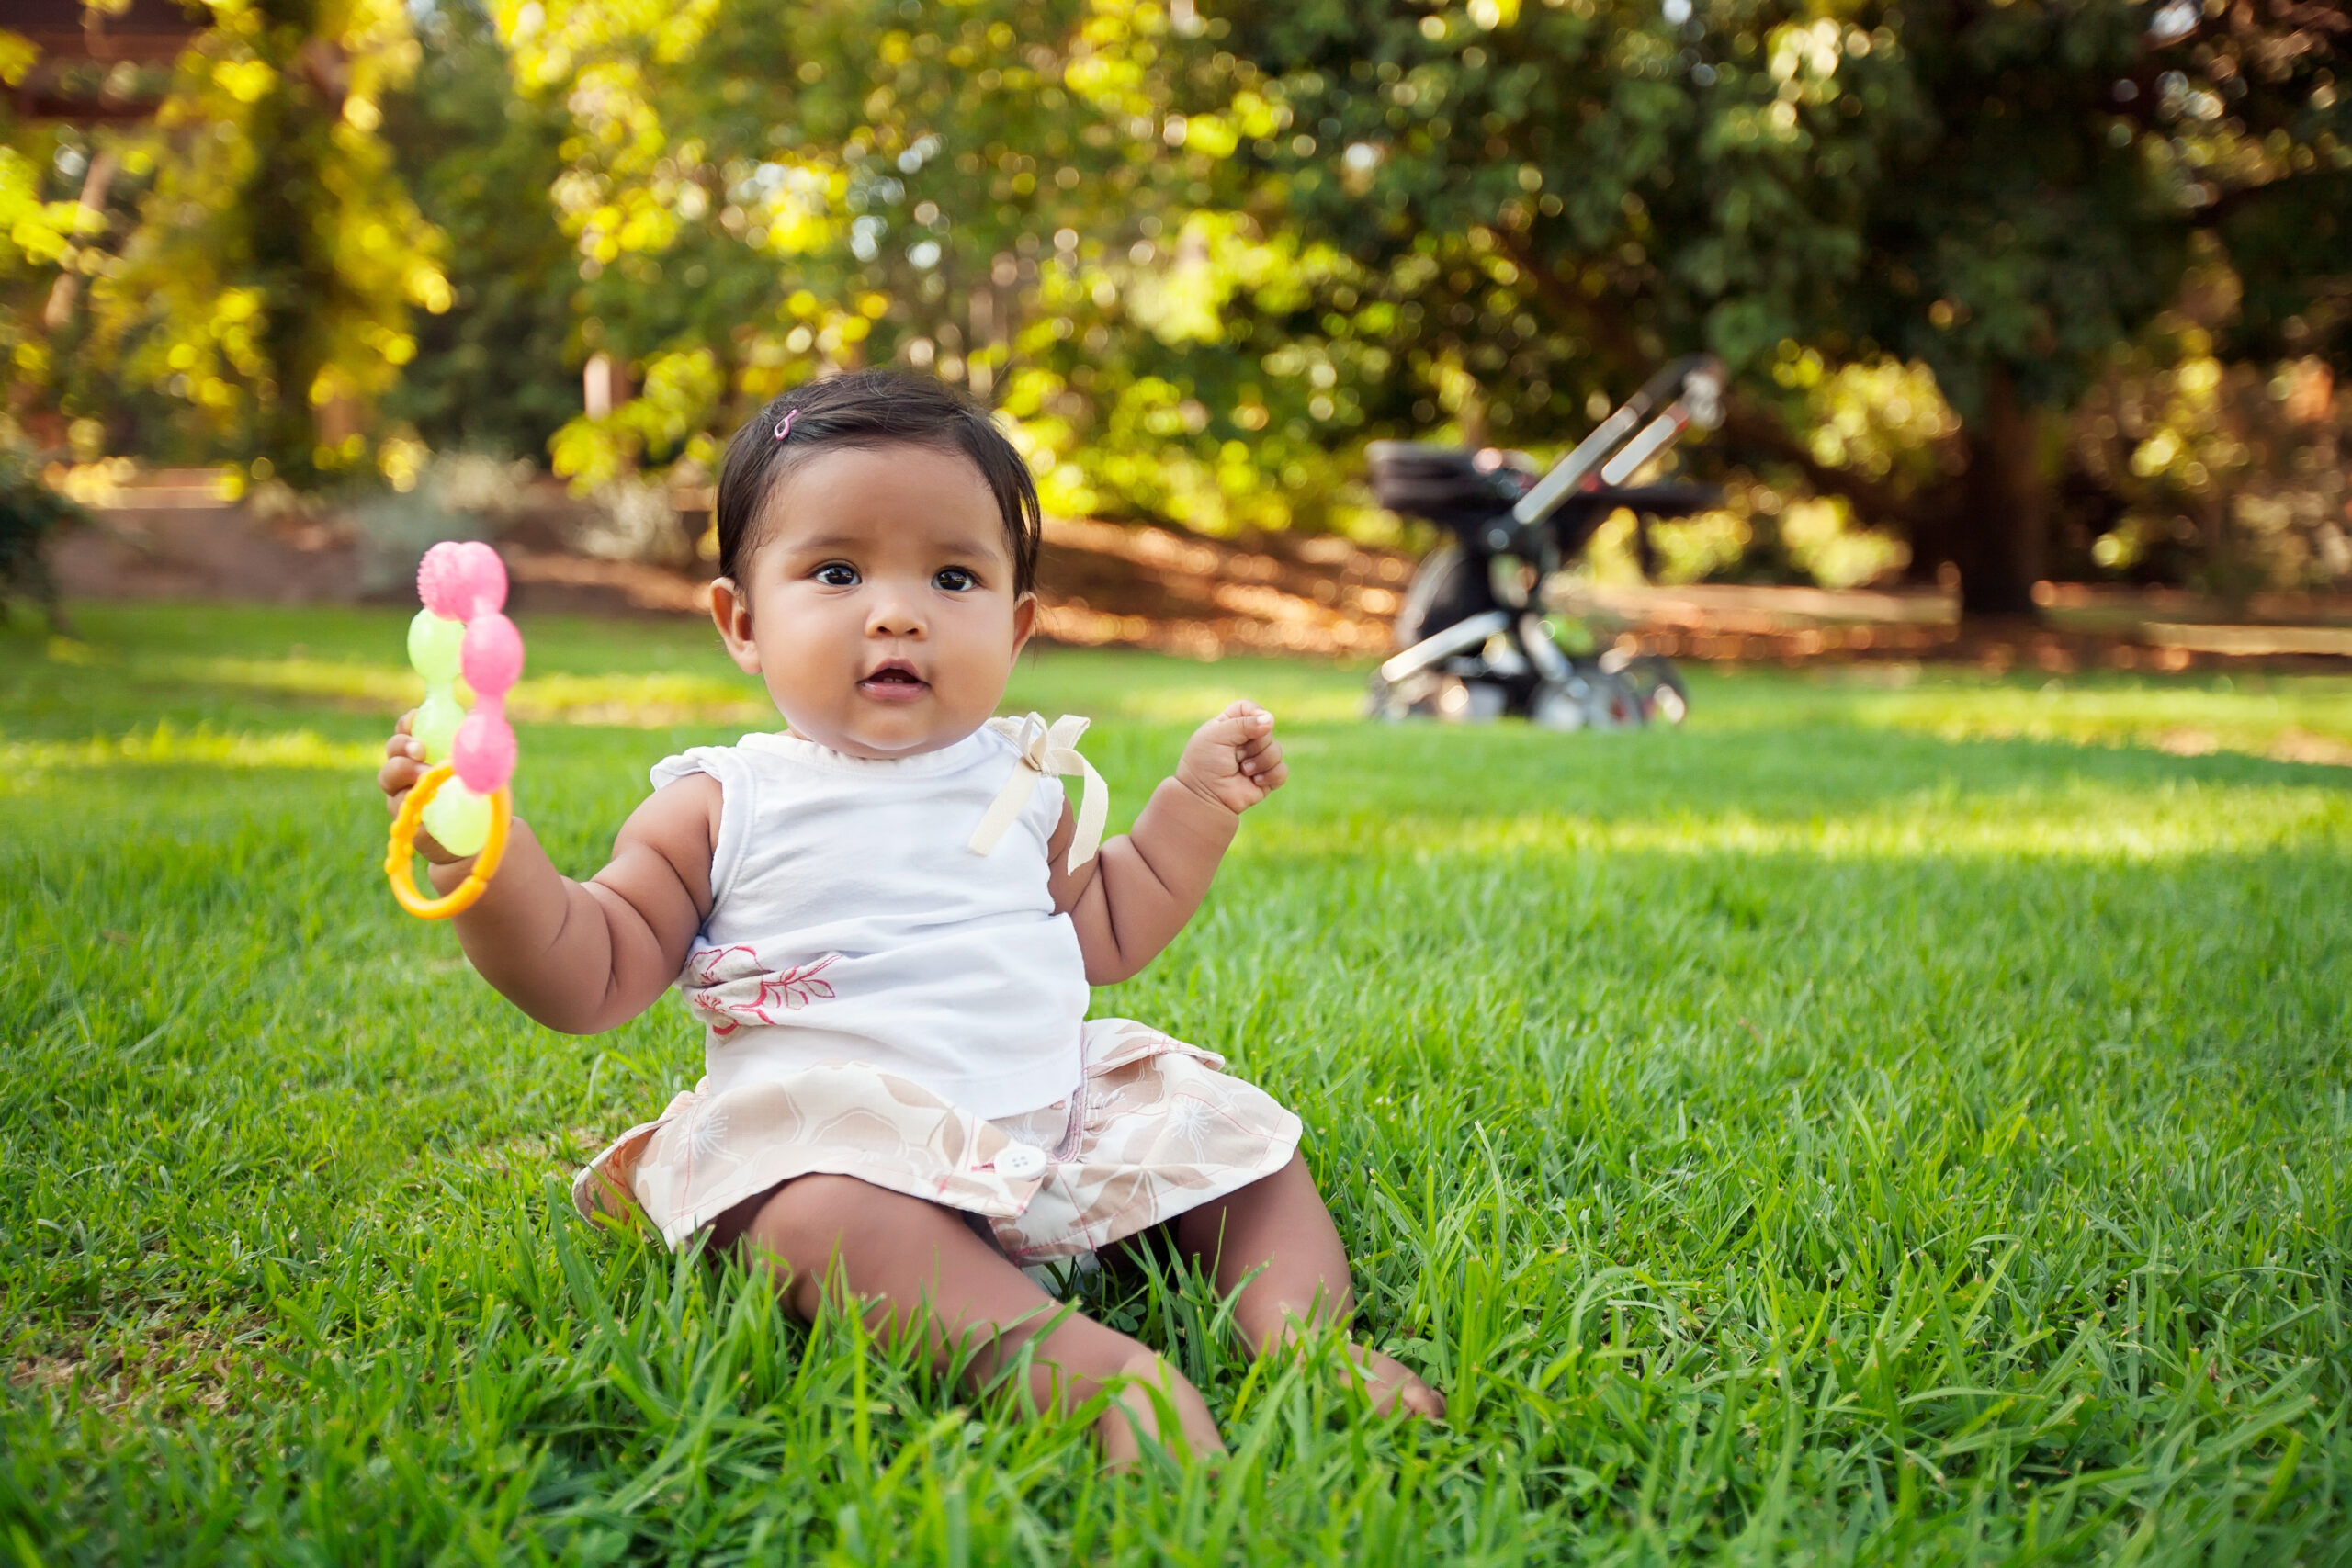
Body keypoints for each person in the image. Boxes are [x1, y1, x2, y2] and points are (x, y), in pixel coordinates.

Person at [377, 369, 1443, 1464]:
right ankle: (1075, 1368)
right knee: (804, 1212)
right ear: (741, 623)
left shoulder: (1028, 782)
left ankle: (1310, 1342)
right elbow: (585, 969)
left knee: (1232, 1133)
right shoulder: (717, 805)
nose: (898, 611)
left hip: (1048, 1129)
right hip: (850, 1161)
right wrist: (484, 852)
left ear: (1017, 627)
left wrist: (1191, 809)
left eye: (952, 575)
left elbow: (1108, 932)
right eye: (835, 571)